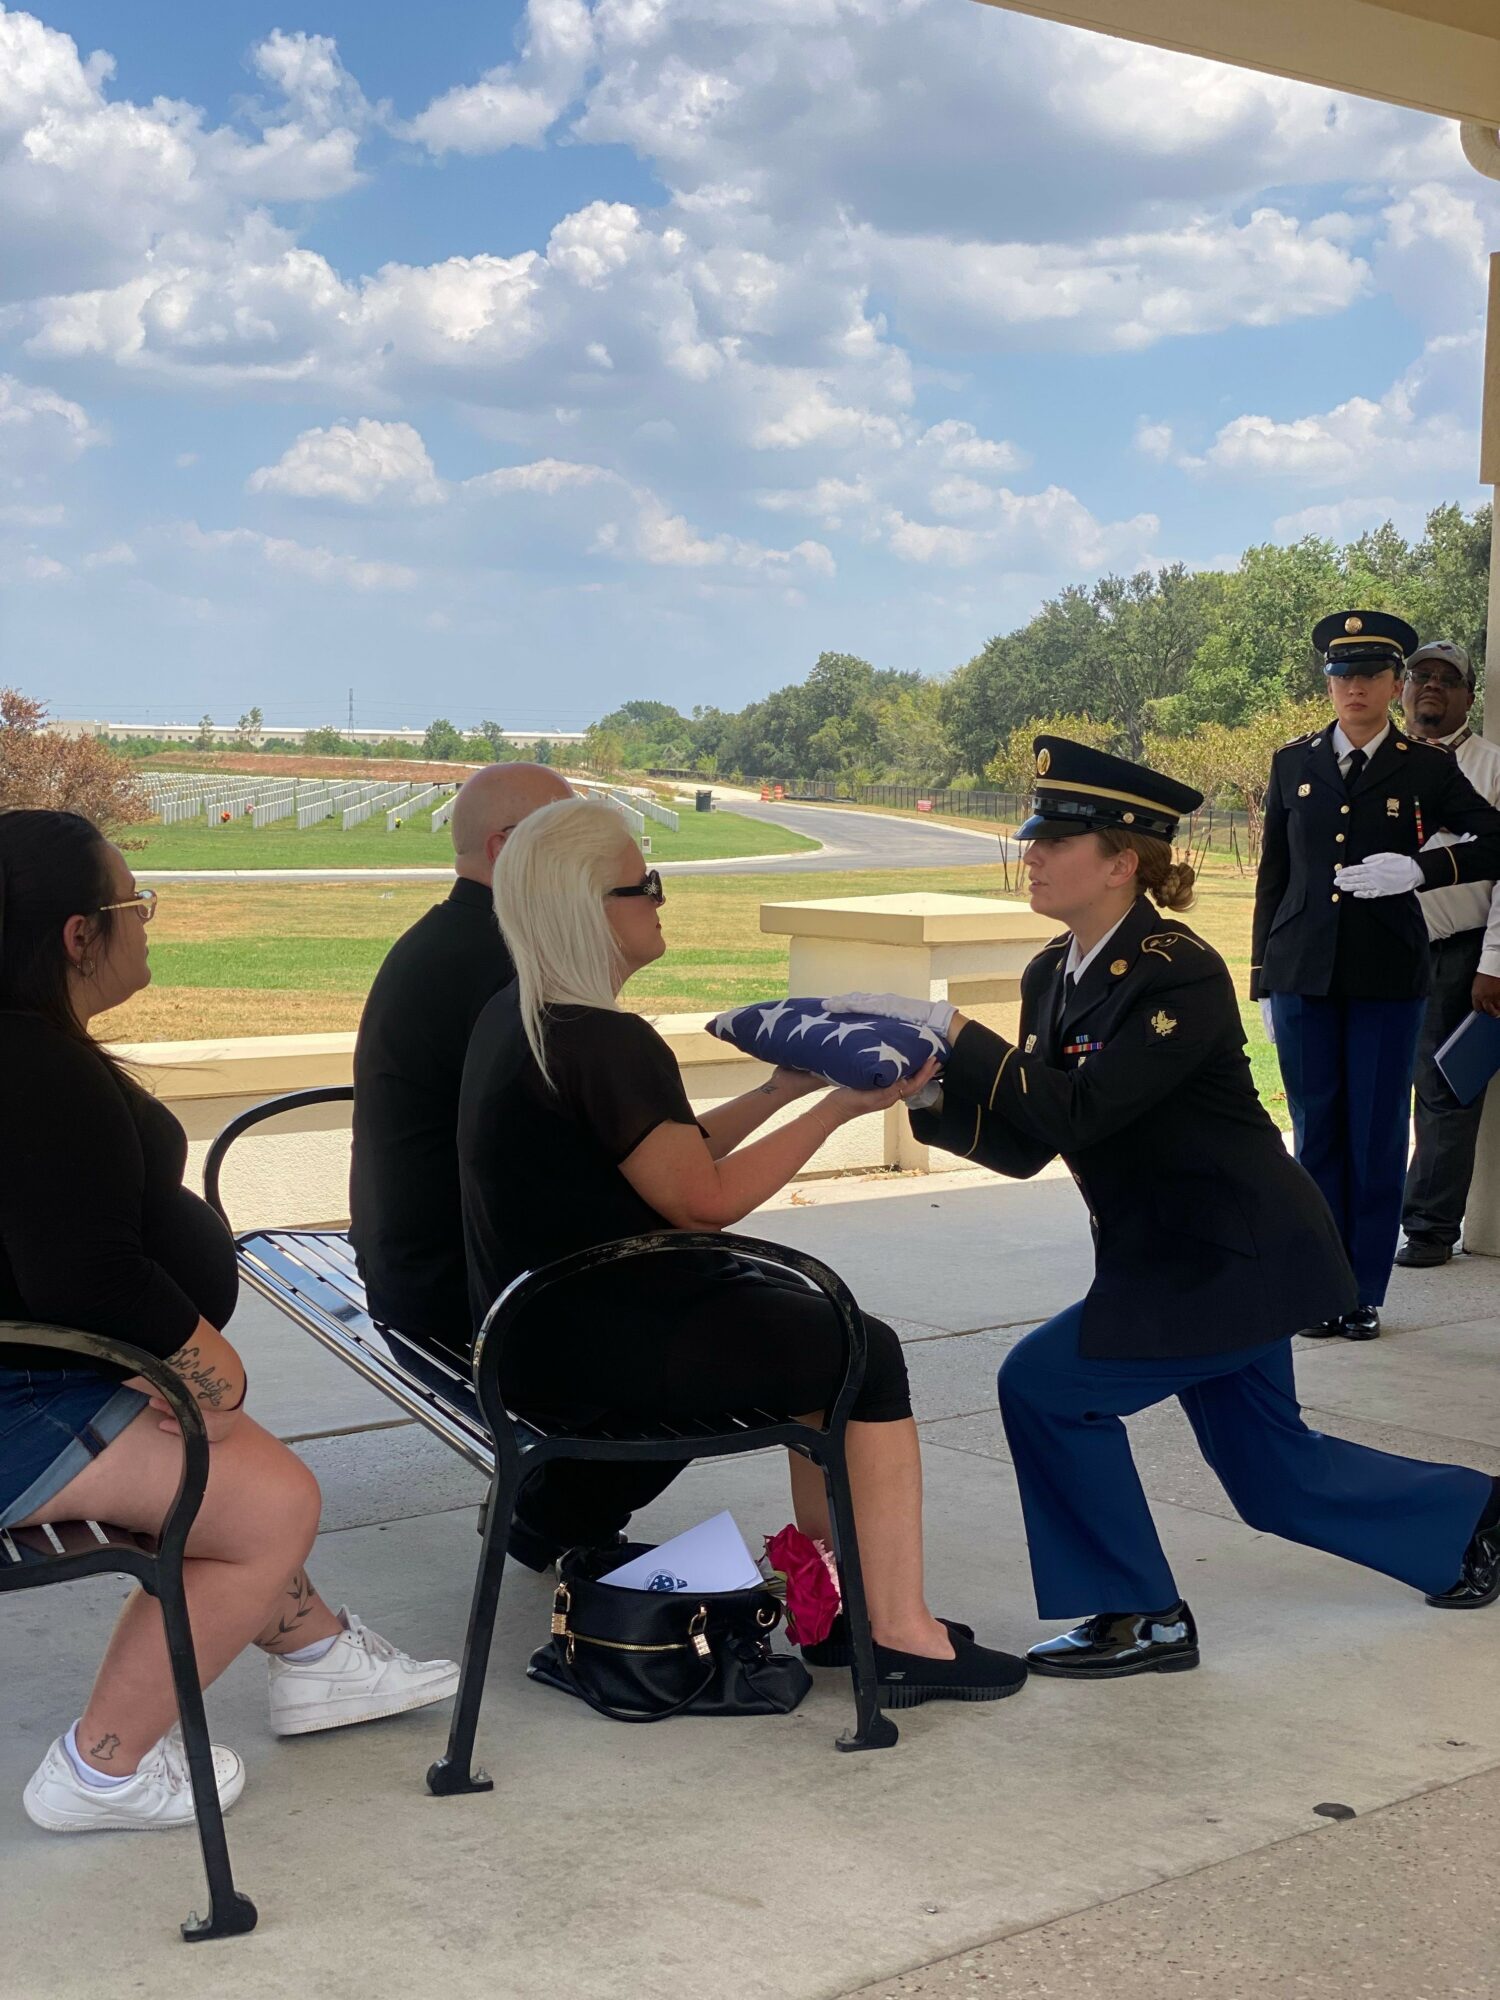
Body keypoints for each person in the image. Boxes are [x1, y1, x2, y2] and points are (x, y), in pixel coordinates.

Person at [825, 737, 1500, 1678]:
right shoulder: (1051, 973)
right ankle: (1472, 1520)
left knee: (1044, 1387)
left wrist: (958, 1031)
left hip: (1231, 1255)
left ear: (1121, 862)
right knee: (1273, 1478)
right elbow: (1031, 1139)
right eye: (1034, 839)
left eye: (1057, 842)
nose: (1034, 856)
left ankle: (1143, 1614)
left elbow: (1090, 1107)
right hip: (1182, 1257)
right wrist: (925, 1089)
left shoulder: (1175, 967)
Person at [457, 794, 1028, 1708]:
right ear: (586, 907)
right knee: (860, 1351)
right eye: (644, 884)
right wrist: (842, 1106)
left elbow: (665, 1152)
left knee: (813, 1338)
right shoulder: (607, 1040)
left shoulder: (523, 1017)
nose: (660, 899)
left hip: (543, 1332)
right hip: (597, 1348)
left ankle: (844, 1610)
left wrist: (778, 1092)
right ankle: (897, 1632)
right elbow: (704, 1200)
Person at [1, 811, 459, 1835]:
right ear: (79, 934)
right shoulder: (33, 1068)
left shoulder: (30, 1050)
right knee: (268, 1504)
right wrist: (203, 1364)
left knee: (232, 1474)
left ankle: (313, 1650)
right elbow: (83, 1269)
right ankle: (102, 1766)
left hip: (48, 1372)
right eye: (135, 904)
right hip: (24, 1392)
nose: (148, 923)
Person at [1250, 611, 1500, 1338]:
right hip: (1303, 973)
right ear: (1327, 683)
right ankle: (1315, 1286)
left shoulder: (1424, 766)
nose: (1353, 688)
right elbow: (1276, 873)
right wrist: (1265, 973)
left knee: (1376, 1135)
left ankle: (1360, 1291)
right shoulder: (1293, 762)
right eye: (1341, 675)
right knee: (1316, 1132)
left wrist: (1421, 868)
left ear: (1395, 684)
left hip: (1388, 976)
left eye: (1369, 675)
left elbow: (1495, 839)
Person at [1394, 642, 1500, 1266]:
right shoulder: (1385, 762)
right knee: (1378, 1085)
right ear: (1403, 689)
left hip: (1460, 952)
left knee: (1445, 1092)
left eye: (1447, 679)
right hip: (1382, 946)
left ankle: (1430, 1229)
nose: (1431, 686)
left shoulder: (1490, 768)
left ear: (1468, 695)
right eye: (1420, 676)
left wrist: (1495, 962)